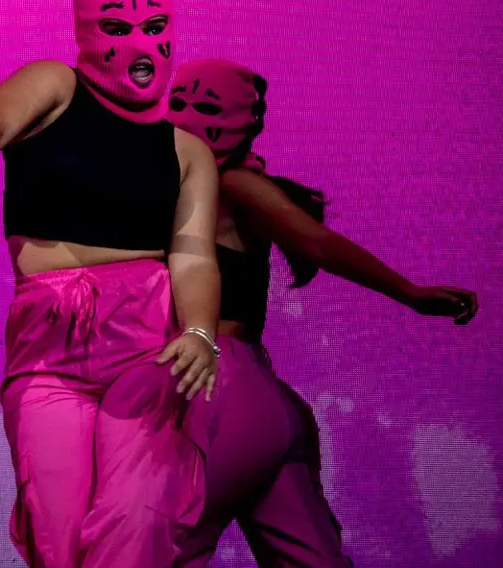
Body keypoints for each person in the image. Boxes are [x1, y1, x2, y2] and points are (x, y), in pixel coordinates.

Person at [0, 0, 221, 567]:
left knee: (136, 518)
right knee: (57, 529)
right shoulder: (55, 86)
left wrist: (200, 331)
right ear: (87, 31)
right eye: (116, 26)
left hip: (145, 341)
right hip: (48, 345)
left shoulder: (187, 151)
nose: (137, 43)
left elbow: (194, 256)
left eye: (153, 25)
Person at [168, 58, 478, 567]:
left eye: (204, 107)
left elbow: (316, 243)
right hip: (265, 402)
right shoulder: (194, 187)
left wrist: (409, 292)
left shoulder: (230, 186)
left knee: (158, 543)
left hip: (217, 393)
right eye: (177, 103)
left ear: (244, 124)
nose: (184, 118)